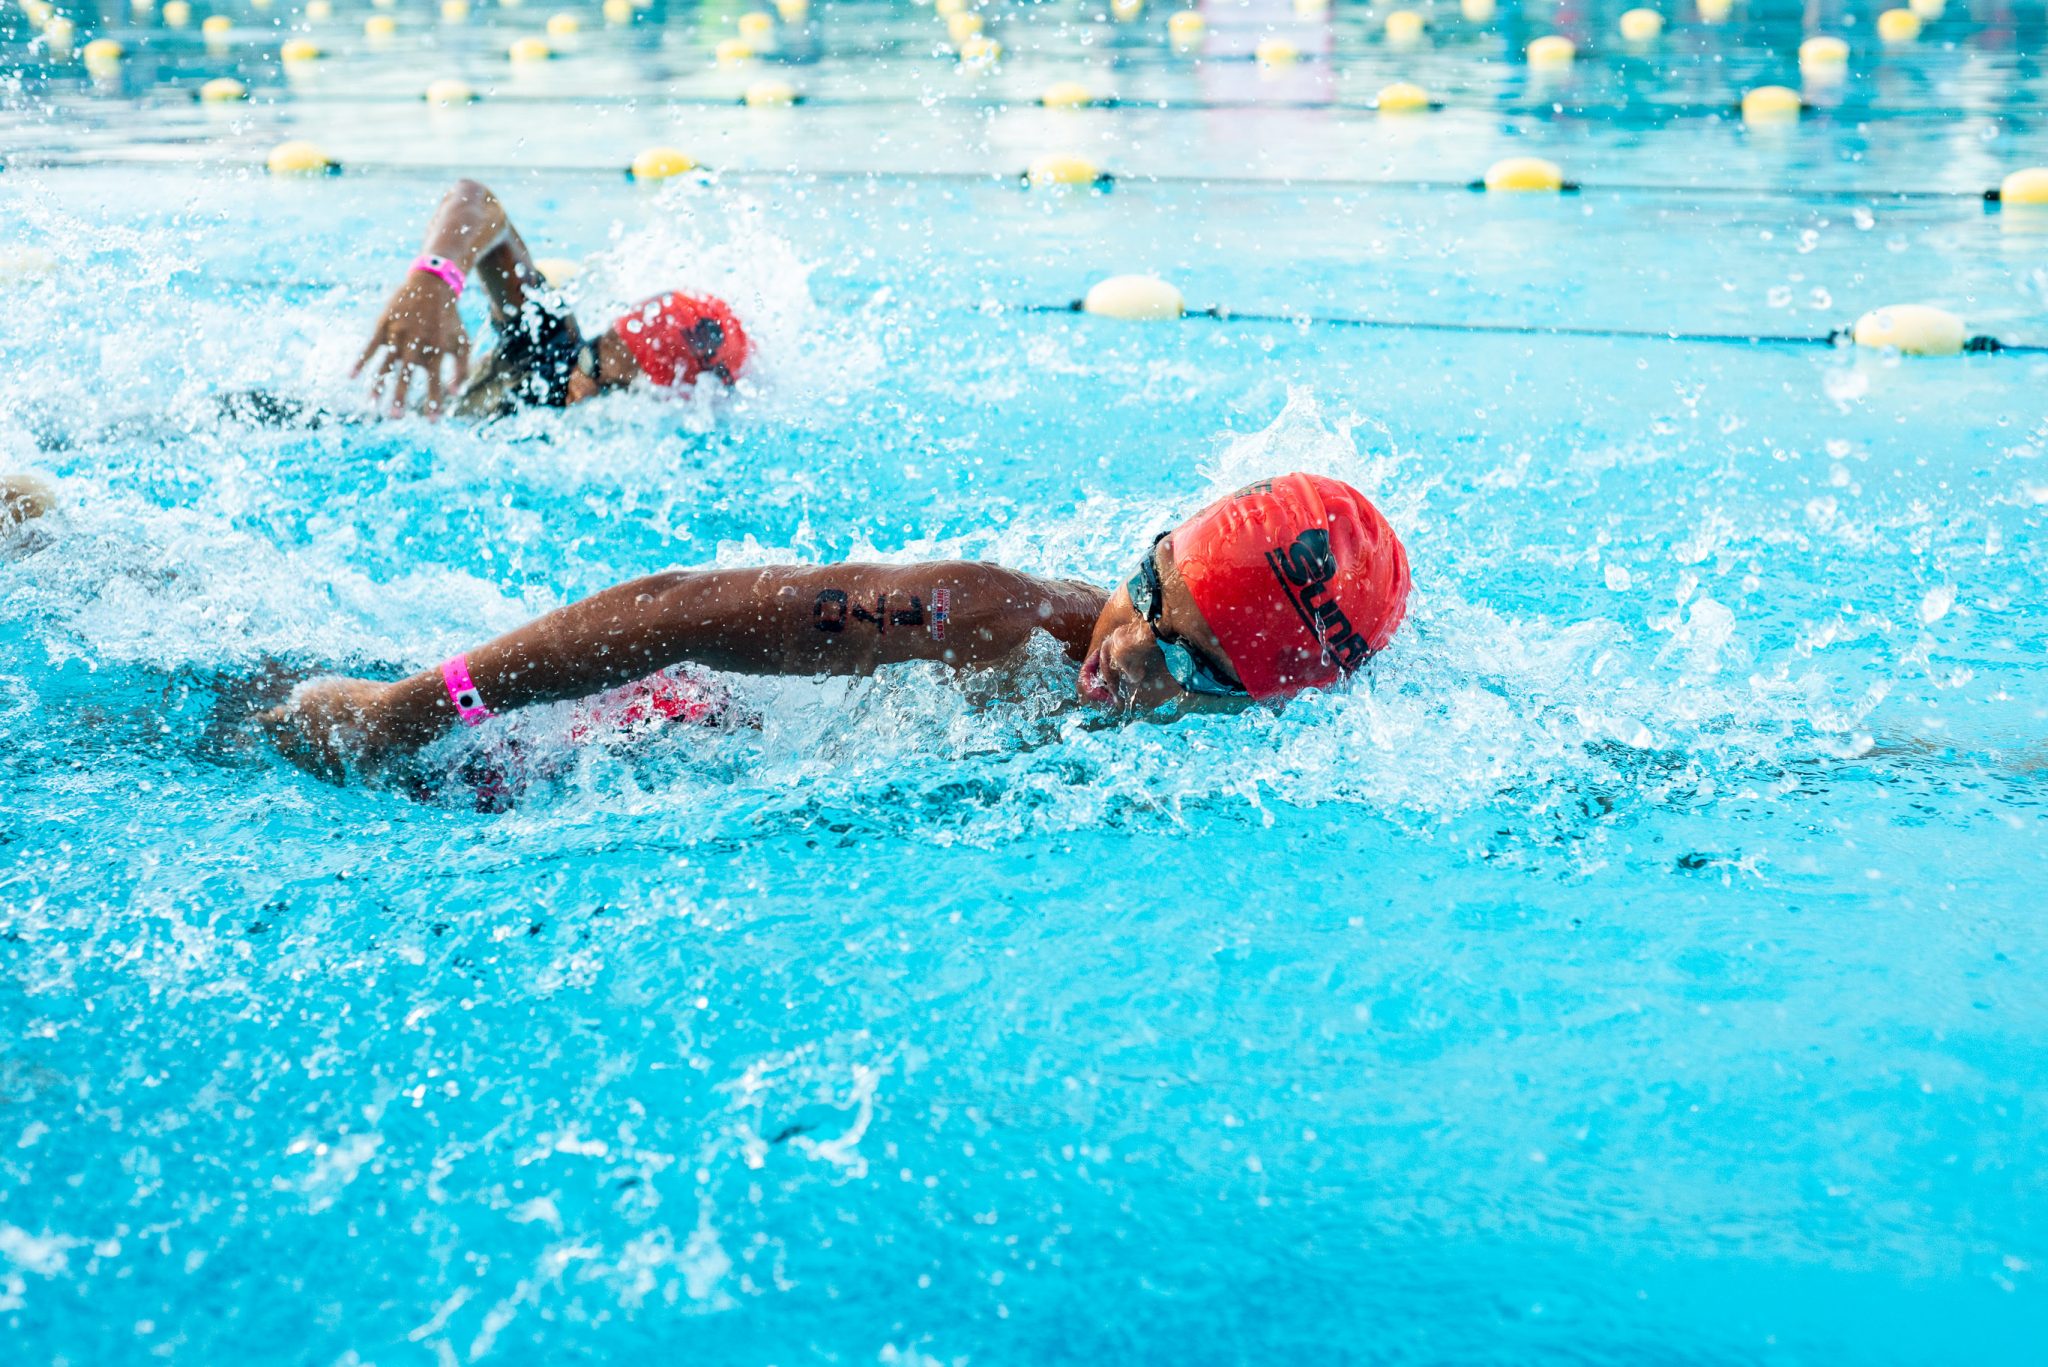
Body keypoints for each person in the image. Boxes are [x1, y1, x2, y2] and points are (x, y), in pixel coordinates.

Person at [260, 474, 1414, 782]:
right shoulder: (984, 619)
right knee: (237, 721)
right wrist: (404, 710)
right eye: (1144, 592)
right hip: (641, 730)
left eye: (1177, 658)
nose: (1122, 648)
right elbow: (670, 611)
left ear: (1260, 699)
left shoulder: (1298, 734)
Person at [228, 179, 751, 426]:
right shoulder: (548, 344)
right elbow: (476, 201)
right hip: (309, 425)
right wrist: (433, 279)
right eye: (632, 378)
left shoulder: (586, 411)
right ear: (620, 350)